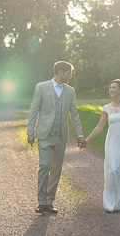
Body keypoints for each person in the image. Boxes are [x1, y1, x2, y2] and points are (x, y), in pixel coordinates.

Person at [27, 61, 87, 215]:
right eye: (69, 73)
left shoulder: (70, 91)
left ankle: (49, 201)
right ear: (60, 72)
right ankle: (41, 202)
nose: (71, 76)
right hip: (45, 135)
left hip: (61, 136)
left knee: (56, 170)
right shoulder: (41, 87)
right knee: (45, 166)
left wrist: (80, 135)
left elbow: (74, 114)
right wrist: (30, 131)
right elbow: (34, 110)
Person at [85, 79, 120, 212]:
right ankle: (110, 203)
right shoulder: (106, 108)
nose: (111, 90)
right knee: (112, 170)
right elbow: (99, 127)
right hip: (112, 143)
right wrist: (87, 139)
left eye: (114, 87)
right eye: (110, 87)